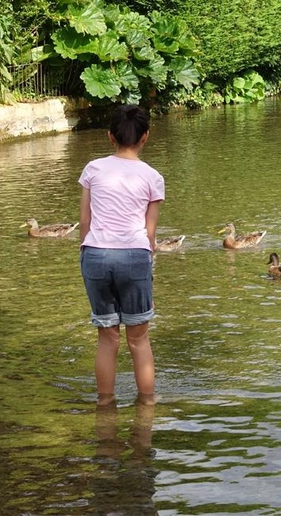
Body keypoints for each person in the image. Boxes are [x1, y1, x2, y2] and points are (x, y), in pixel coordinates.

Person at [79, 104, 165, 406]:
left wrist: (86, 257)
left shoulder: (93, 169)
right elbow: (149, 232)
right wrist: (148, 264)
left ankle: (105, 406)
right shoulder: (153, 177)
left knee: (107, 338)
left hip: (96, 256)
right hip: (134, 256)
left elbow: (85, 222)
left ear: (109, 137)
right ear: (146, 137)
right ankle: (147, 408)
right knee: (139, 340)